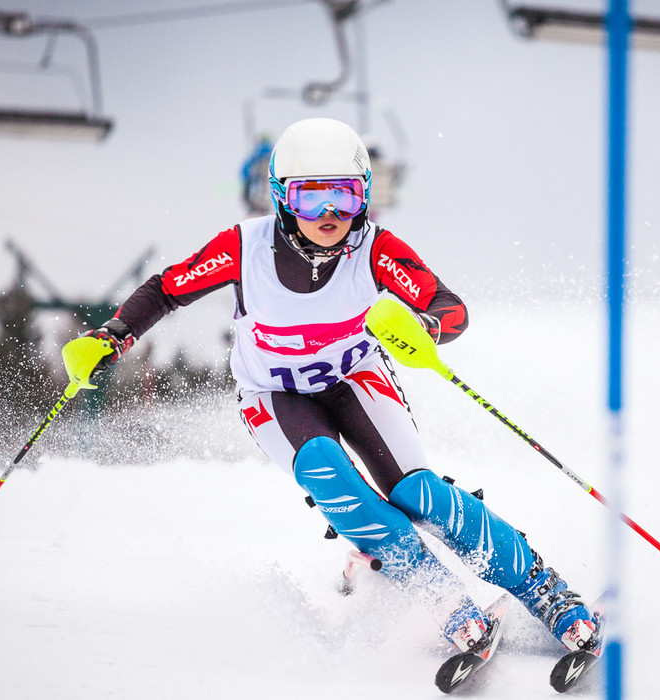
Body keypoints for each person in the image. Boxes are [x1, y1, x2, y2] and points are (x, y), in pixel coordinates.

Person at [62, 118, 599, 655]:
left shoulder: (376, 248)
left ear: (363, 195)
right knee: (329, 474)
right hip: (274, 394)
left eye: (343, 196)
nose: (329, 214)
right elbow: (166, 290)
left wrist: (425, 329)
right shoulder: (244, 247)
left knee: (417, 494)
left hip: (355, 378)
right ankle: (444, 601)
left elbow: (450, 310)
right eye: (309, 197)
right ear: (281, 197)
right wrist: (111, 337)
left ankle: (545, 591)